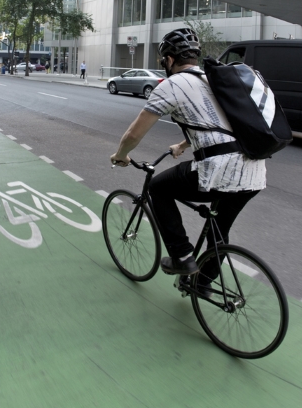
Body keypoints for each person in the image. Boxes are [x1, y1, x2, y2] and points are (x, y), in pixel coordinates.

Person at [110, 28, 266, 279]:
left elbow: (133, 135)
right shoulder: (215, 79)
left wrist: (121, 154)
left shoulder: (172, 85)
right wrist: (183, 145)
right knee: (218, 230)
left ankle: (181, 256)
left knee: (158, 188)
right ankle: (203, 284)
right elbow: (221, 123)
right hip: (254, 171)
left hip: (220, 169)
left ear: (170, 60)